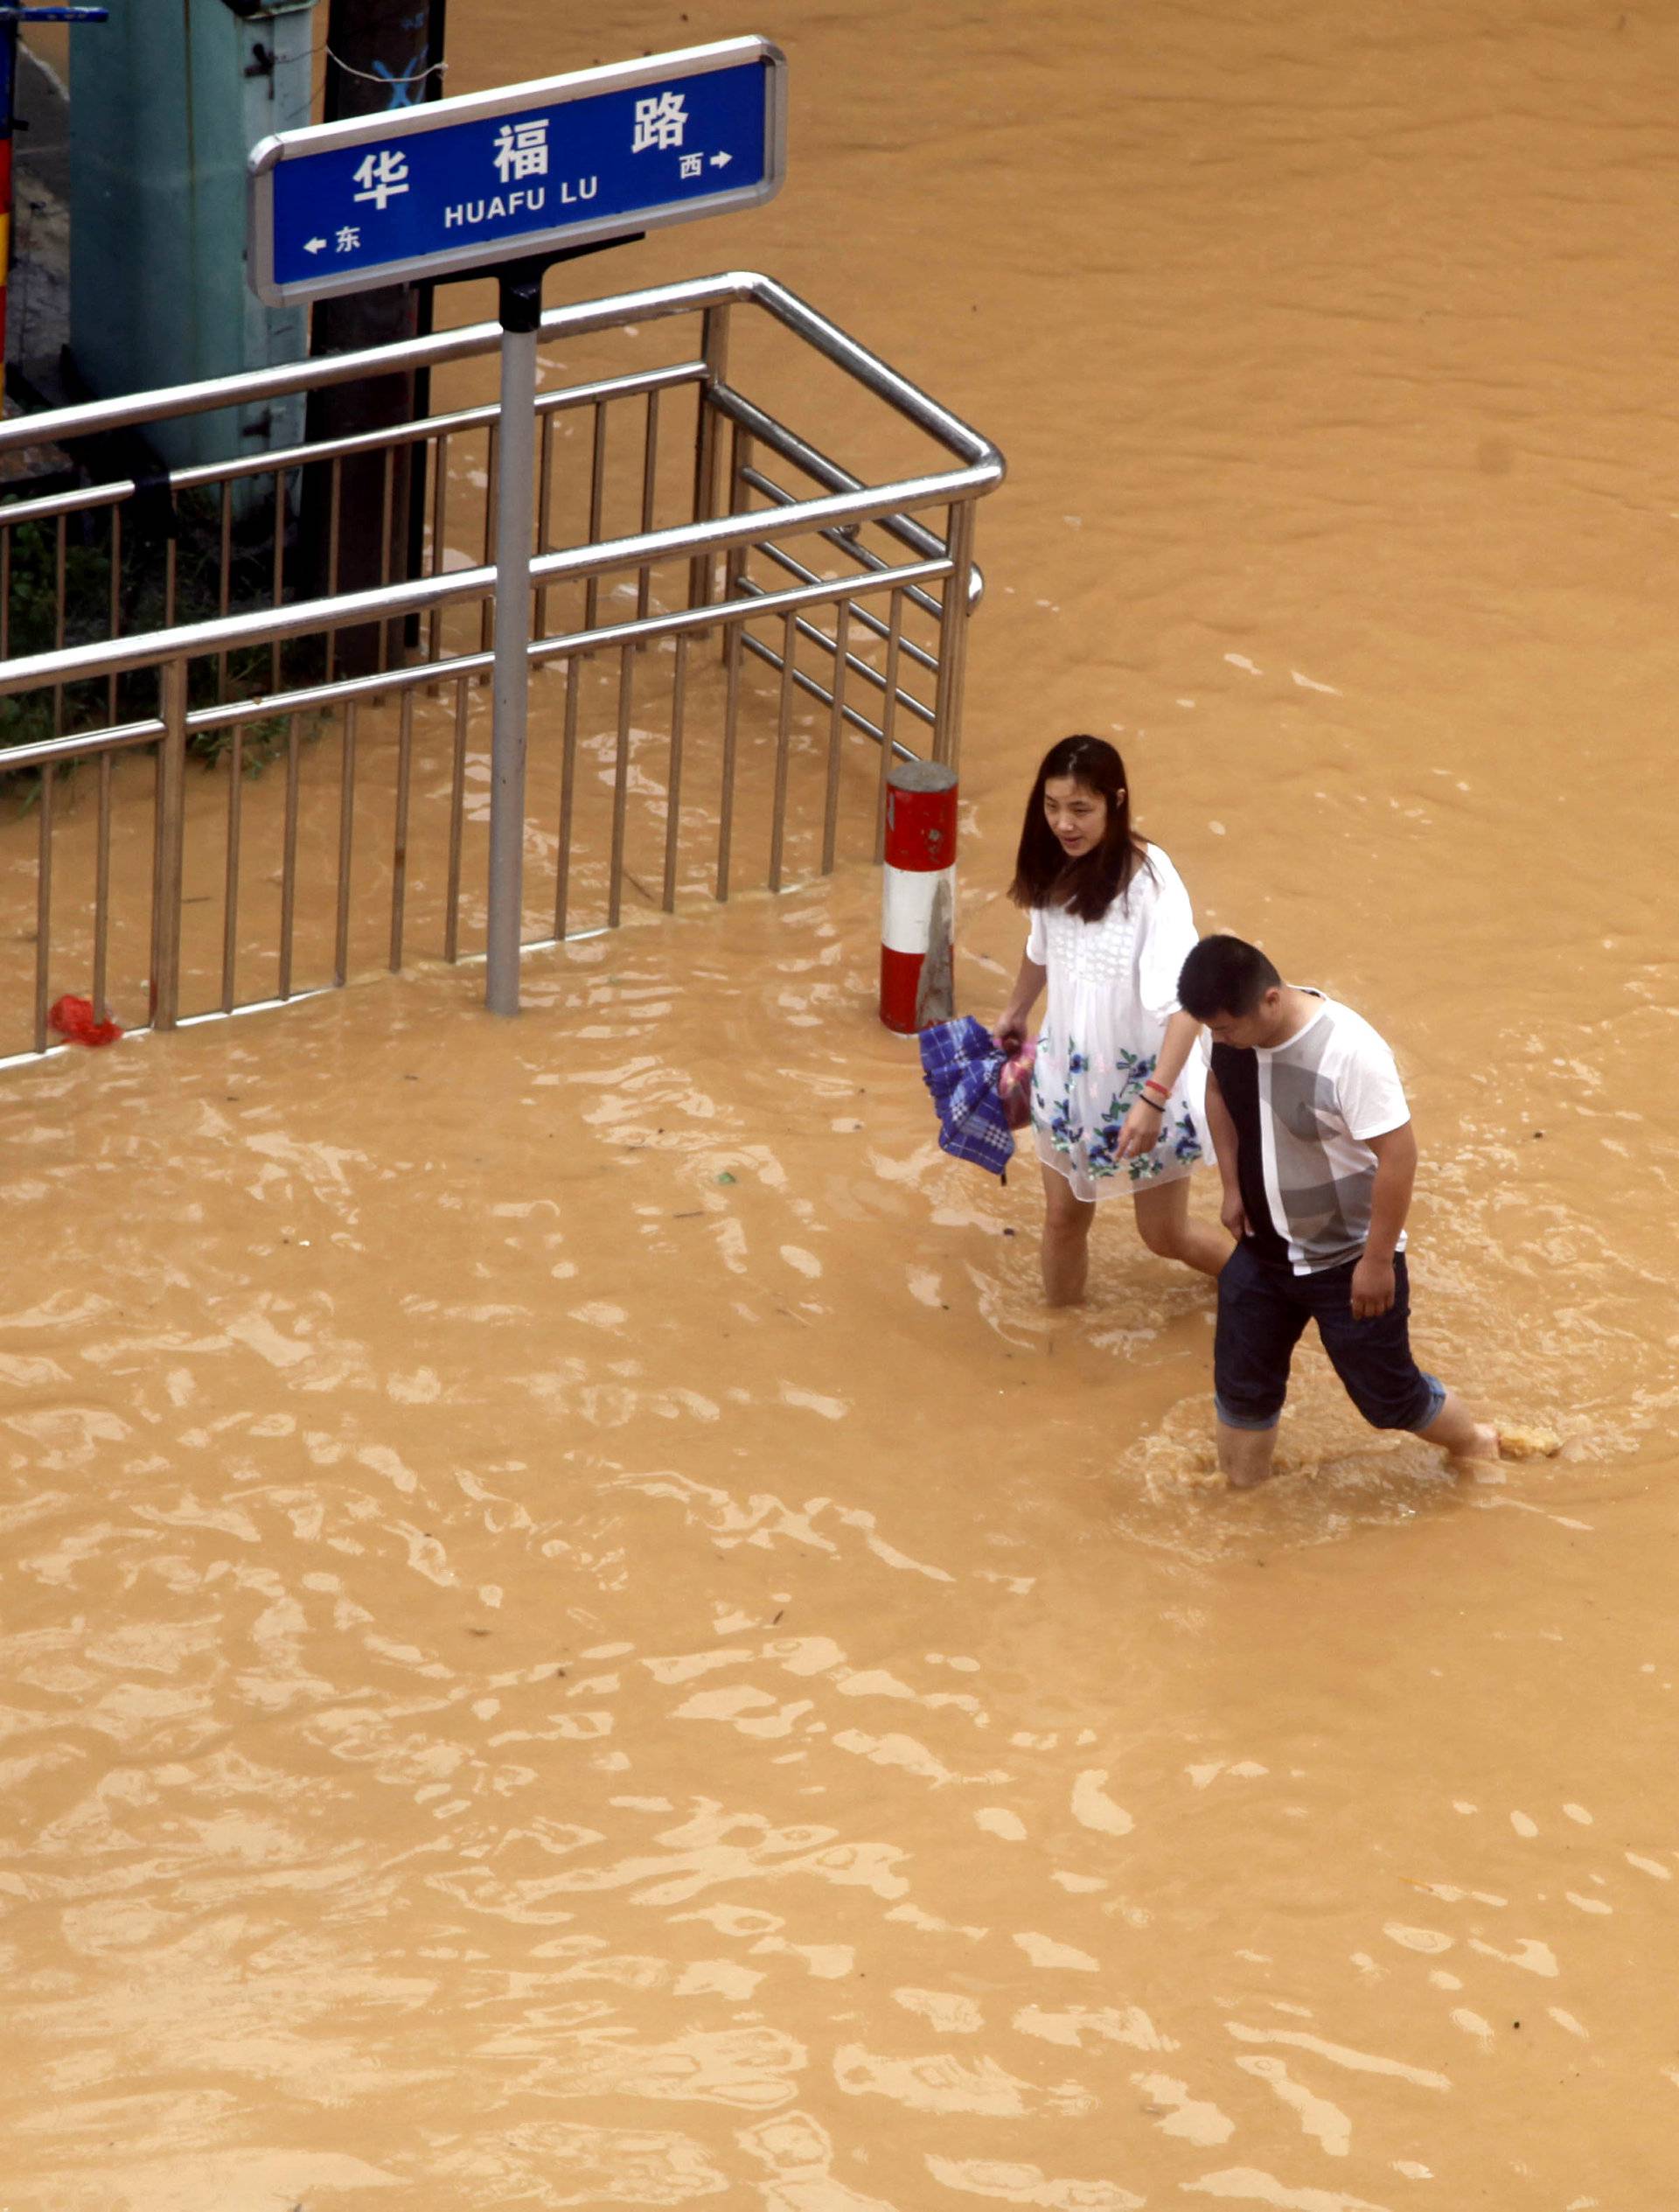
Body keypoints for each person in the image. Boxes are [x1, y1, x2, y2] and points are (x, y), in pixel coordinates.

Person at [1176, 932, 1499, 1488]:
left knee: (1388, 1398)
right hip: (1260, 1249)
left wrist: (1376, 1263)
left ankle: (1476, 1442)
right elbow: (1217, 1093)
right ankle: (1243, 1509)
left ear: (1271, 1001)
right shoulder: (1227, 1041)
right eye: (1211, 1030)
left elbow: (1399, 1156)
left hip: (1347, 1259)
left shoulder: (1350, 1050)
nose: (1218, 1040)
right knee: (1241, 1391)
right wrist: (1230, 1186)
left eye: (1226, 1028)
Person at [993, 736, 1227, 1304]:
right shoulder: (1050, 862)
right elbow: (1040, 946)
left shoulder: (1151, 882)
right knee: (1061, 1220)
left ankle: (1267, 1294)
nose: (1064, 824)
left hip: (1145, 1079)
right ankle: (1060, 1345)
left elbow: (1186, 1002)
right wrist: (1018, 1008)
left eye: (1080, 809)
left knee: (1163, 1234)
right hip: (1066, 1072)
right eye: (1052, 806)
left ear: (1115, 803)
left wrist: (1152, 1098)